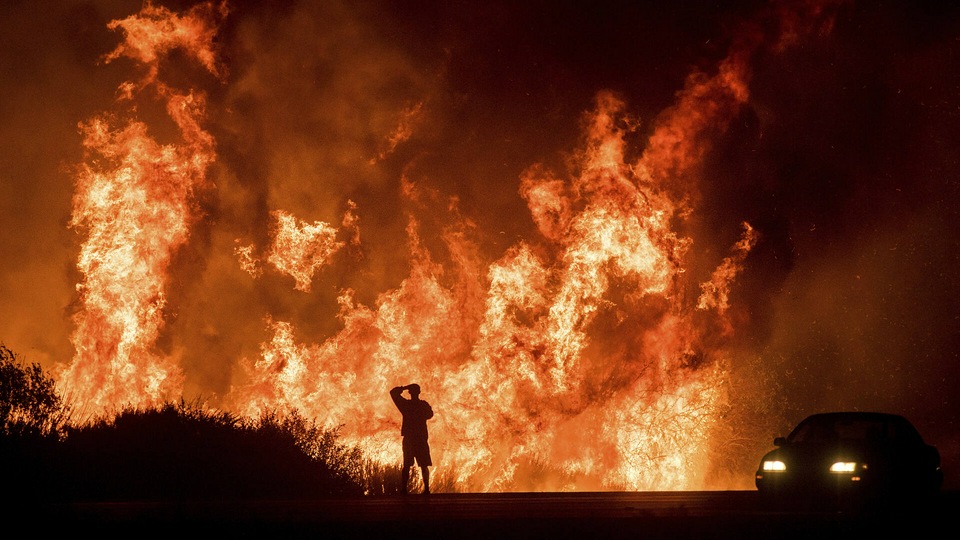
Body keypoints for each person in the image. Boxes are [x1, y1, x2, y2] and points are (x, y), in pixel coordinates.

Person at [390, 383, 434, 494]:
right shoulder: (422, 405)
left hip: (411, 438)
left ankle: (404, 490)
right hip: (420, 438)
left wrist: (404, 387)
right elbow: (430, 414)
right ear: (419, 392)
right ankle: (426, 489)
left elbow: (393, 392)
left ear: (409, 392)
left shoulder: (405, 405)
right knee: (423, 465)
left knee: (407, 465)